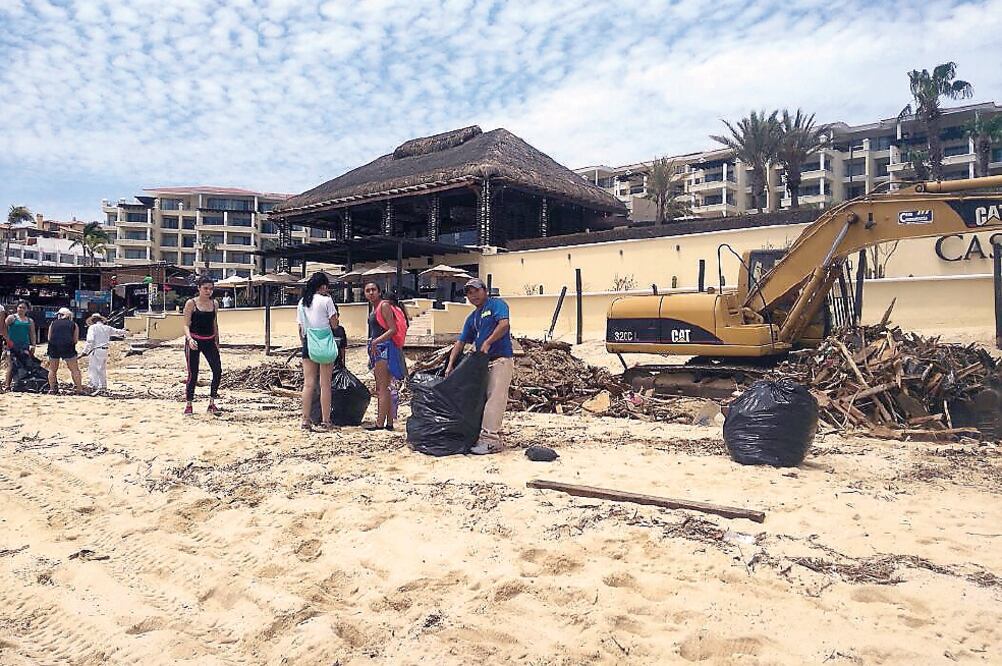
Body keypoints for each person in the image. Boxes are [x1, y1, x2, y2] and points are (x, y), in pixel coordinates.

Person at [445, 278, 514, 455]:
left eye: (476, 290)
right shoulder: (472, 318)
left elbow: (504, 324)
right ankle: (481, 435)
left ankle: (491, 441)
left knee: (495, 399)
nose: (473, 295)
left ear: (485, 291)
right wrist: (450, 364)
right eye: (469, 293)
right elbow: (460, 342)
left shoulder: (496, 305)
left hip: (500, 360)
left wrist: (488, 342)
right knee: (481, 400)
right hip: (483, 364)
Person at [297, 272, 340, 431]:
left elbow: (300, 328)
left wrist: (305, 343)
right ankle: (326, 421)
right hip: (324, 342)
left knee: (308, 384)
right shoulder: (327, 300)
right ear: (322, 286)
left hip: (309, 342)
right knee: (325, 384)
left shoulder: (302, 302)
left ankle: (305, 420)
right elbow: (334, 324)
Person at [364, 282, 406, 431]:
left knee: (381, 388)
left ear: (379, 292)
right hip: (382, 348)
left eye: (373, 290)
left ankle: (380, 423)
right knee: (385, 387)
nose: (371, 293)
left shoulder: (384, 306)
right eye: (368, 290)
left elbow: (392, 329)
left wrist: (375, 341)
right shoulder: (376, 308)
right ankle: (389, 423)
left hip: (384, 348)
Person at [183, 277, 222, 416]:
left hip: (209, 341)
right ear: (199, 288)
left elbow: (214, 323)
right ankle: (189, 404)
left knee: (217, 370)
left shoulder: (214, 304)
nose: (208, 291)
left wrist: (217, 341)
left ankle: (212, 403)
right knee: (193, 373)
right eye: (205, 288)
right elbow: (186, 324)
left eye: (211, 288)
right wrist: (189, 339)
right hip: (194, 341)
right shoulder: (191, 303)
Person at [83, 313, 128, 393]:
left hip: (96, 349)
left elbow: (90, 340)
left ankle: (95, 385)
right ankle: (103, 385)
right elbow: (118, 332)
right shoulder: (107, 328)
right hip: (104, 350)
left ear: (93, 320)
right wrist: (125, 331)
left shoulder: (92, 328)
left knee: (93, 368)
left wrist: (85, 351)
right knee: (102, 368)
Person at [47, 307, 84, 394]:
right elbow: (75, 340)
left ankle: (52, 389)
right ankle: (79, 389)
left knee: (52, 369)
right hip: (68, 347)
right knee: (74, 369)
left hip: (54, 347)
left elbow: (49, 338)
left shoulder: (53, 323)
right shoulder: (74, 324)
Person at [4, 300, 37, 391]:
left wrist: (33, 345)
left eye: (23, 308)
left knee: (23, 365)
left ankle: (21, 384)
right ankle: (7, 385)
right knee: (11, 365)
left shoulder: (30, 320)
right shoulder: (11, 318)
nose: (21, 309)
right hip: (11, 345)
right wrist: (6, 341)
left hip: (24, 345)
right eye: (20, 307)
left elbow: (32, 334)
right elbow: (3, 329)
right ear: (17, 308)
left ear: (27, 309)